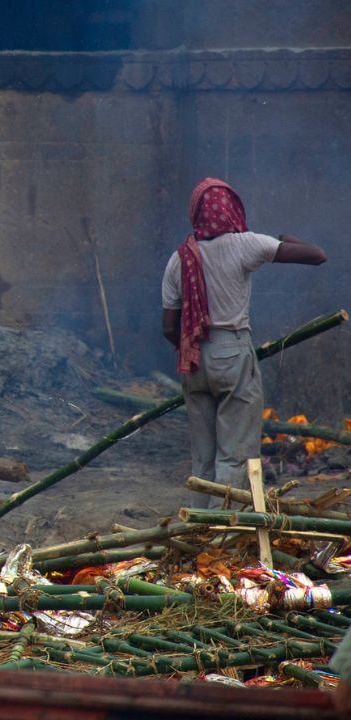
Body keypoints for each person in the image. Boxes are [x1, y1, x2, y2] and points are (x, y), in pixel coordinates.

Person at [161, 178, 326, 508]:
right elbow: (317, 256)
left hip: (193, 360)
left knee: (203, 458)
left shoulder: (180, 258)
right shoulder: (245, 244)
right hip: (231, 353)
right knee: (234, 456)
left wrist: (193, 347)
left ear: (196, 213)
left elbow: (168, 326)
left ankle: (199, 525)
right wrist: (285, 240)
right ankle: (223, 530)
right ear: (232, 209)